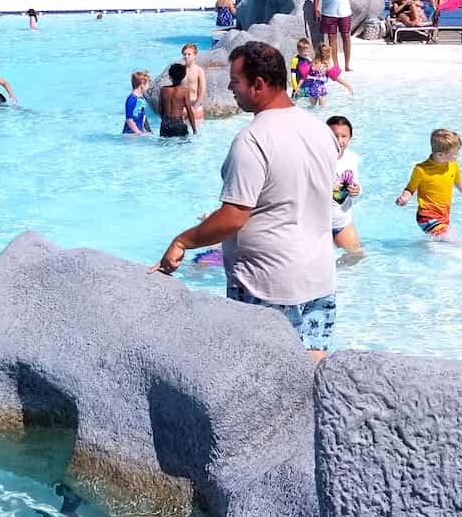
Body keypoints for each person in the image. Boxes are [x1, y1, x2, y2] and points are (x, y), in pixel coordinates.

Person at [149, 42, 340, 359]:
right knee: (310, 380)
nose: (229, 87)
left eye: (235, 81)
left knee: (260, 386)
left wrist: (182, 241)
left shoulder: (252, 141)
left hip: (266, 285)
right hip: (319, 279)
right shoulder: (321, 132)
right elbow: (293, 195)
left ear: (259, 85)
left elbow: (234, 217)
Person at [395, 128, 462, 240]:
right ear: (440, 154)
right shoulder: (421, 169)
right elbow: (410, 188)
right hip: (426, 216)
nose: (458, 155)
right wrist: (405, 198)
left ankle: (428, 252)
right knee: (452, 239)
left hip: (443, 216)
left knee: (443, 241)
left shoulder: (453, 166)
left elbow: (459, 181)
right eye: (455, 153)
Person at [313, 0, 364, 70]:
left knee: (346, 36)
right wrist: (315, 9)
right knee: (332, 38)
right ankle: (336, 65)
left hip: (345, 12)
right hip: (329, 13)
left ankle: (347, 64)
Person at [327, 115, 363, 254]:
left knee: (356, 257)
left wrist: (358, 190)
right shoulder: (316, 159)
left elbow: (355, 182)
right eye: (335, 136)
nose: (339, 141)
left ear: (350, 138)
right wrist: (327, 190)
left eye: (344, 136)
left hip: (342, 222)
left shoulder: (352, 158)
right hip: (317, 225)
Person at [157, 63, 198, 138]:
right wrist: (194, 130)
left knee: (165, 147)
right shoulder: (184, 91)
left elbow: (160, 110)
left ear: (170, 76)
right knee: (182, 147)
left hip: (165, 124)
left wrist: (165, 121)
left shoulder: (163, 90)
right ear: (183, 76)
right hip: (178, 124)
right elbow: (189, 111)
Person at [180, 43, 207, 126]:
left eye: (189, 54)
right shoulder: (181, 70)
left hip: (195, 106)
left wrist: (193, 108)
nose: (186, 56)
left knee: (196, 136)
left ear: (195, 55)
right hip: (182, 108)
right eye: (184, 54)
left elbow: (202, 92)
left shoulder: (199, 71)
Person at [123, 70, 152, 135]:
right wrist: (138, 132)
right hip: (130, 132)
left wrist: (144, 130)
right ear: (142, 85)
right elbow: (129, 119)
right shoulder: (131, 99)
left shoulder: (141, 98)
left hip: (139, 130)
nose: (149, 86)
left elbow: (143, 115)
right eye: (148, 84)